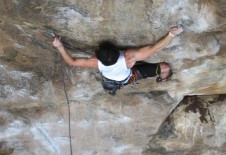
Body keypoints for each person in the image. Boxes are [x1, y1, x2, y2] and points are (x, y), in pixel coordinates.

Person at [53, 26, 183, 94]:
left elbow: (72, 62)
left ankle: (113, 84)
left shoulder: (94, 62)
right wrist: (171, 34)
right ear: (117, 50)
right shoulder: (128, 57)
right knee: (165, 68)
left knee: (160, 67)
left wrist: (60, 47)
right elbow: (154, 48)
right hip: (130, 76)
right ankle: (163, 78)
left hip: (114, 77)